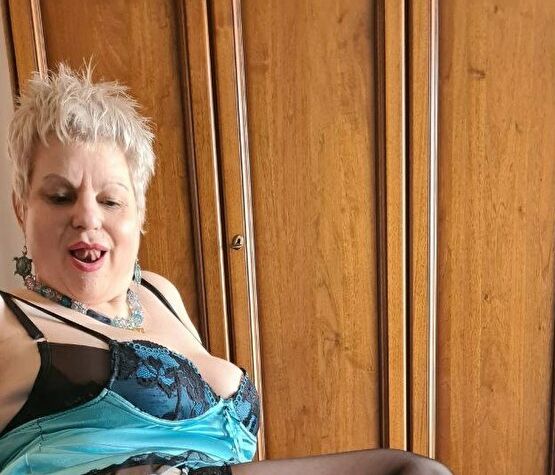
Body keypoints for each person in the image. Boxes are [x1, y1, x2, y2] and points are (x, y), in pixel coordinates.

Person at [0, 64, 451, 475]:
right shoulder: (7, 318)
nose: (87, 217)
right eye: (60, 197)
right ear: (22, 210)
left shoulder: (158, 293)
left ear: (139, 214)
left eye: (111, 200)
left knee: (415, 471)